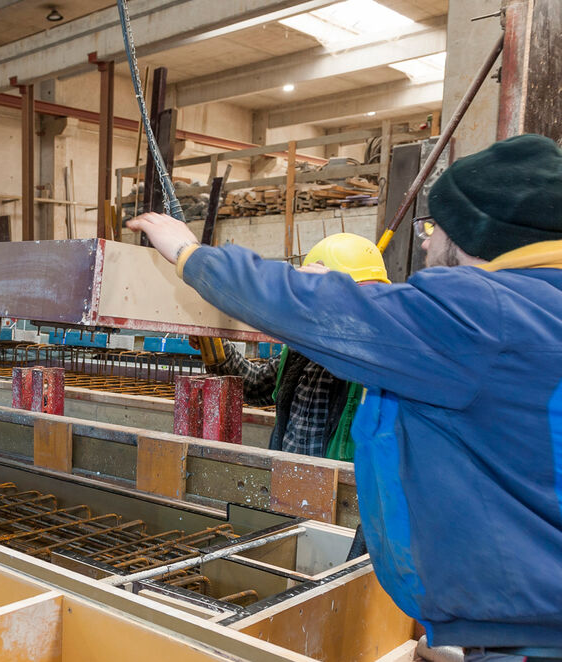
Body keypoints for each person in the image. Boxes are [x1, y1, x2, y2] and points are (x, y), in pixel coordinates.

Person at [126, 133, 562, 658]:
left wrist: (188, 252)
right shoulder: (536, 312)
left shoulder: (482, 314)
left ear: (472, 233)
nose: (424, 243)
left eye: (434, 227)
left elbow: (308, 309)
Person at [197, 233, 390, 460]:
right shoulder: (300, 350)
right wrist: (217, 350)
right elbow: (258, 385)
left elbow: (376, 337)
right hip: (288, 480)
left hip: (341, 488)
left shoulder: (379, 355)